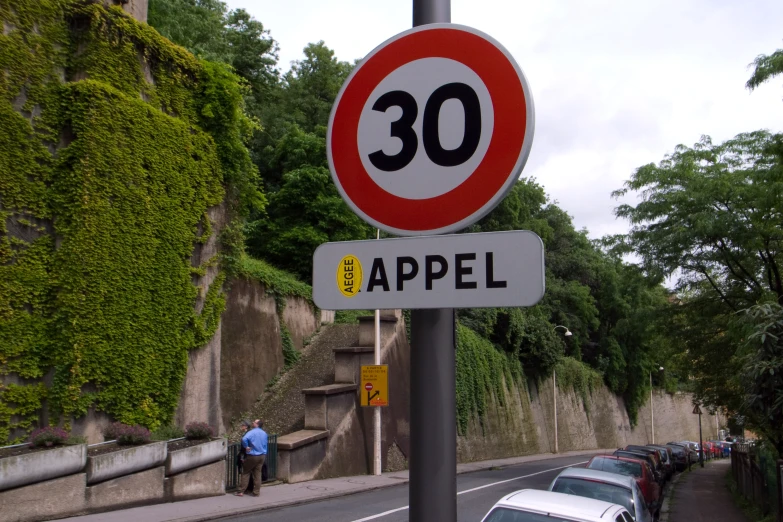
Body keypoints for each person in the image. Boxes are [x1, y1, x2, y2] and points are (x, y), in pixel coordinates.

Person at [236, 418, 268, 497]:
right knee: (258, 473)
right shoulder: (264, 433)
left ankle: (241, 490)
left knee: (246, 472)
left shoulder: (252, 432)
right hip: (262, 455)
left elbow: (244, 439)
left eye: (254, 422)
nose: (253, 423)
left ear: (257, 424)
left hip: (253, 455)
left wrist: (246, 446)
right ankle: (256, 492)